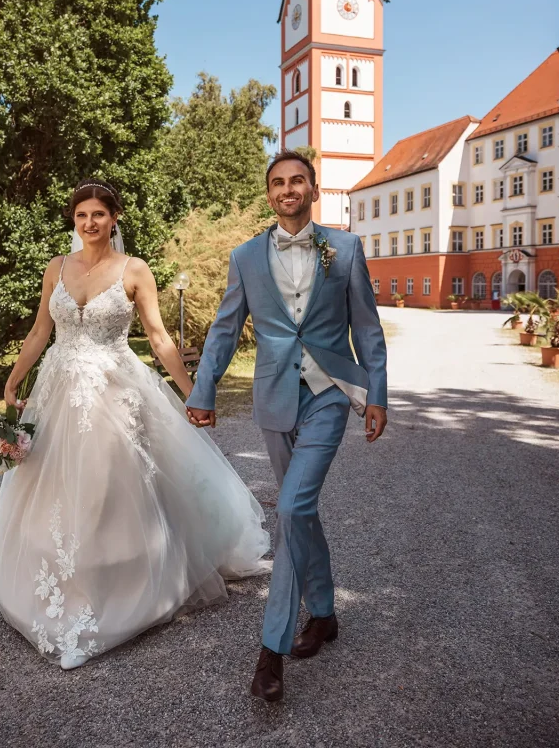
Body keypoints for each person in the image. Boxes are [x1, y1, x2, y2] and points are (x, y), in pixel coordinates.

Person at [0, 179, 270, 669]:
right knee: (52, 487)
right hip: (57, 390)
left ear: (113, 217)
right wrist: (12, 382)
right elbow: (39, 332)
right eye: (81, 215)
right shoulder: (56, 268)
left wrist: (195, 393)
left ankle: (115, 591)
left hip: (114, 392)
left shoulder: (134, 269)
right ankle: (58, 587)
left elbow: (159, 338)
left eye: (98, 214)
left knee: (106, 486)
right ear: (73, 220)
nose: (89, 222)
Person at [186, 150, 387, 702]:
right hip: (274, 397)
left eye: (298, 180)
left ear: (313, 190)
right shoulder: (246, 256)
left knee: (292, 508)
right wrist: (203, 389)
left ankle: (270, 652)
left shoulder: (345, 248)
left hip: (328, 394)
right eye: (278, 182)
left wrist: (377, 393)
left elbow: (367, 327)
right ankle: (323, 613)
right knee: (302, 513)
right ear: (270, 193)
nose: (288, 189)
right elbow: (225, 329)